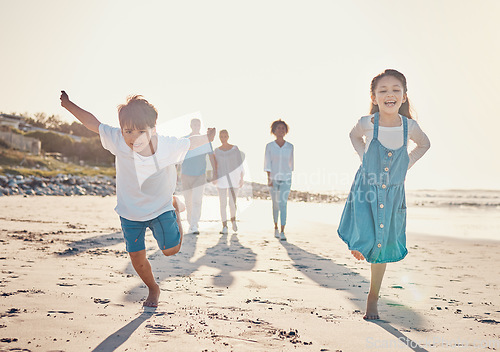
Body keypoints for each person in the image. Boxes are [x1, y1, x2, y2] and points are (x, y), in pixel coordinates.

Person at [60, 91, 215, 308]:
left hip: (160, 207)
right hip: (130, 211)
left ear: (153, 129)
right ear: (121, 129)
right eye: (128, 131)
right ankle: (153, 288)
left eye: (141, 131)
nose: (134, 137)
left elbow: (189, 142)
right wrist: (68, 105)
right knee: (137, 259)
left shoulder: (167, 145)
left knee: (171, 250)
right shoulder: (117, 139)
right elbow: (92, 122)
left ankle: (175, 209)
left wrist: (207, 138)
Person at [337, 69, 430, 320]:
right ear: (374, 96)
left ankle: (372, 297)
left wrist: (406, 165)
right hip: (367, 187)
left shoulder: (409, 126)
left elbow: (425, 144)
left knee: (382, 244)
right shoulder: (368, 123)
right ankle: (360, 243)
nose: (390, 94)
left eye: (396, 90)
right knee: (368, 235)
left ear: (404, 96)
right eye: (383, 90)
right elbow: (353, 136)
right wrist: (362, 156)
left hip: (391, 195)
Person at [181, 118, 215, 235]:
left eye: (198, 124)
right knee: (188, 201)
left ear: (200, 126)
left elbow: (211, 156)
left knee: (197, 200)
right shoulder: (185, 140)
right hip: (185, 174)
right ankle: (191, 222)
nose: (196, 126)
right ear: (190, 125)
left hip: (200, 175)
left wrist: (215, 172)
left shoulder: (206, 141)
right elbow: (177, 157)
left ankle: (194, 224)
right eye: (194, 124)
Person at [264, 119, 294, 241]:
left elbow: (291, 165)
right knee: (275, 205)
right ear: (274, 131)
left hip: (286, 178)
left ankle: (282, 231)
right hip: (273, 179)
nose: (280, 130)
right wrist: (269, 178)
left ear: (285, 131)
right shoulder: (270, 146)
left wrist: (289, 176)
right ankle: (275, 227)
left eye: (283, 128)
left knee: (283, 204)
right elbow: (267, 163)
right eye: (278, 128)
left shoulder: (290, 147)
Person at [212, 129, 244, 234]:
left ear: (228, 137)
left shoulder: (235, 149)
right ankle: (224, 226)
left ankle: (233, 221)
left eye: (225, 136)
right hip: (221, 178)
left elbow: (240, 164)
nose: (223, 138)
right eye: (221, 136)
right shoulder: (216, 150)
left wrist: (242, 178)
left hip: (234, 178)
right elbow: (214, 165)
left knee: (232, 203)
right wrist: (214, 177)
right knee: (222, 203)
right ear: (219, 138)